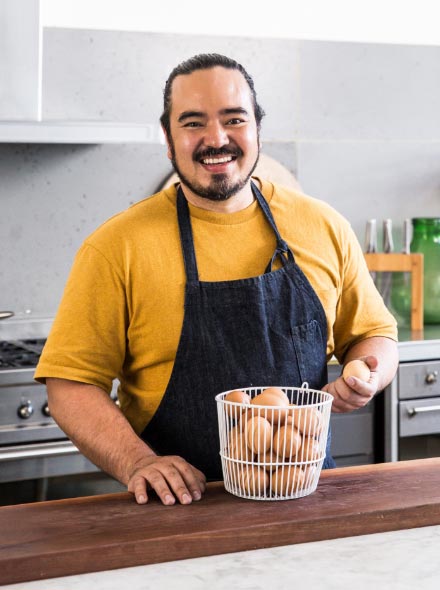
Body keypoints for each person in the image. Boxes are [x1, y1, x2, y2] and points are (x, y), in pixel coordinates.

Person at [35, 53, 398, 507]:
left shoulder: (322, 226)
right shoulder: (116, 247)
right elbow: (70, 384)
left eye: (233, 119)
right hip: (175, 508)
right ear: (168, 139)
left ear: (257, 129)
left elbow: (374, 334)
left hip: (305, 498)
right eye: (192, 123)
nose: (216, 138)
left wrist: (368, 371)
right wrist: (137, 462)